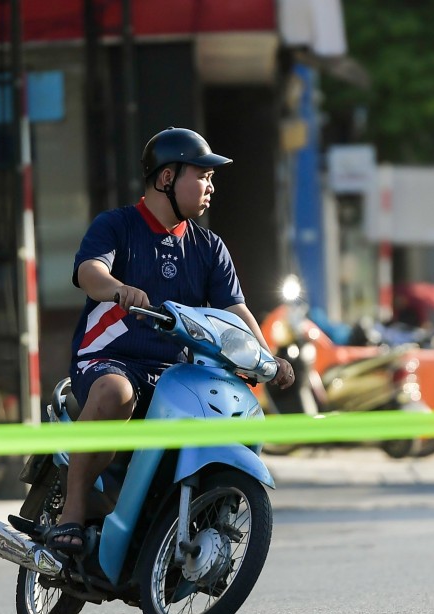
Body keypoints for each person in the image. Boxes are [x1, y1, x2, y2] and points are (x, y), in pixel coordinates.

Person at [47, 127, 295, 555]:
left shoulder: (209, 247)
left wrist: (265, 357)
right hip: (109, 360)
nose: (211, 187)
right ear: (166, 178)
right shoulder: (117, 225)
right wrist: (115, 288)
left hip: (175, 373)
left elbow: (236, 310)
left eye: (212, 179)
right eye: (202, 176)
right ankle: (72, 511)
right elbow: (90, 272)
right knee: (115, 393)